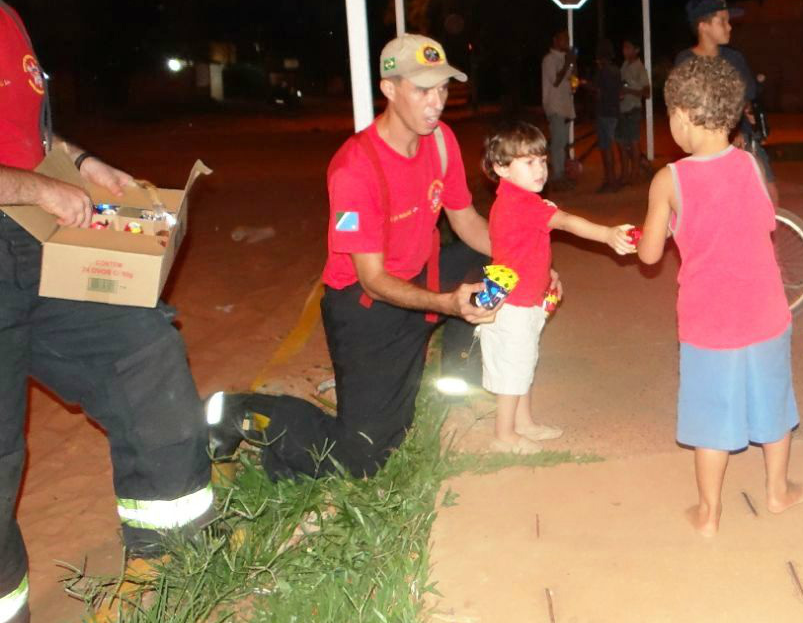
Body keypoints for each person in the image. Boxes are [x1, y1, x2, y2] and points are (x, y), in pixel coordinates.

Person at [0, 0, 214, 623]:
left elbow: (31, 133)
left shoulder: (8, 22)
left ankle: (178, 552)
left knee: (142, 348)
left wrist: (82, 163)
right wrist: (31, 188)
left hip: (32, 244)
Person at [214, 35, 546, 481]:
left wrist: (531, 266)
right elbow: (371, 280)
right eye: (422, 89)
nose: (437, 103)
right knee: (364, 458)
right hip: (367, 310)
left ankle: (460, 382)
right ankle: (242, 412)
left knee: (495, 262)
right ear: (389, 89)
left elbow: (467, 221)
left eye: (443, 89)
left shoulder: (441, 141)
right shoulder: (356, 168)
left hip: (421, 278)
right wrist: (449, 304)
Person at [635, 56, 803, 537]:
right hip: (766, 312)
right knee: (773, 403)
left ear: (685, 116)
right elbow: (763, 222)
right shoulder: (750, 165)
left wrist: (661, 227)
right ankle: (777, 492)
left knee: (710, 415)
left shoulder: (669, 180)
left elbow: (650, 254)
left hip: (709, 323)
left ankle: (709, 514)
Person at [481, 123, 635, 454]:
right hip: (515, 304)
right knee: (513, 368)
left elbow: (519, 248)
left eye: (542, 160)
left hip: (523, 298)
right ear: (501, 168)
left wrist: (545, 271)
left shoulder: (519, 200)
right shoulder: (522, 204)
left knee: (523, 362)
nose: (540, 169)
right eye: (528, 162)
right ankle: (503, 435)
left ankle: (522, 423)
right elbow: (565, 222)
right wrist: (608, 235)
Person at [674, 0, 779, 206]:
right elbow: (683, 109)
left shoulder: (735, 58)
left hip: (743, 141)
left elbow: (747, 100)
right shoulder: (685, 62)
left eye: (728, 21)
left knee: (769, 193)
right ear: (703, 26)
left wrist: (744, 129)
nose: (729, 26)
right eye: (722, 21)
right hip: (705, 145)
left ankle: (769, 238)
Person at [541, 30, 576, 191]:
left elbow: (572, 80)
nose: (566, 42)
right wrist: (568, 62)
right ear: (555, 40)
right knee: (558, 143)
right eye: (564, 39)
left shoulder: (564, 59)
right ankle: (557, 175)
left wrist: (572, 64)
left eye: (567, 39)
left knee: (562, 143)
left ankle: (559, 173)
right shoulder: (549, 60)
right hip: (555, 106)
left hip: (566, 105)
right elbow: (555, 80)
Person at [616, 35, 650, 185]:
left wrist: (629, 91)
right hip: (623, 109)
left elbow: (647, 92)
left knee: (634, 142)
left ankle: (634, 174)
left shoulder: (639, 67)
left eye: (628, 47)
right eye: (624, 47)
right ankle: (625, 173)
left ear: (636, 50)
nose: (625, 50)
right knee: (622, 143)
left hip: (633, 109)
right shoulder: (625, 65)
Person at [592, 38, 622, 193]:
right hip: (615, 111)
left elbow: (598, 93)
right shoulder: (616, 70)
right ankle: (613, 180)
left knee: (606, 148)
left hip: (604, 112)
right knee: (611, 146)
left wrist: (586, 85)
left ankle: (610, 181)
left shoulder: (602, 71)